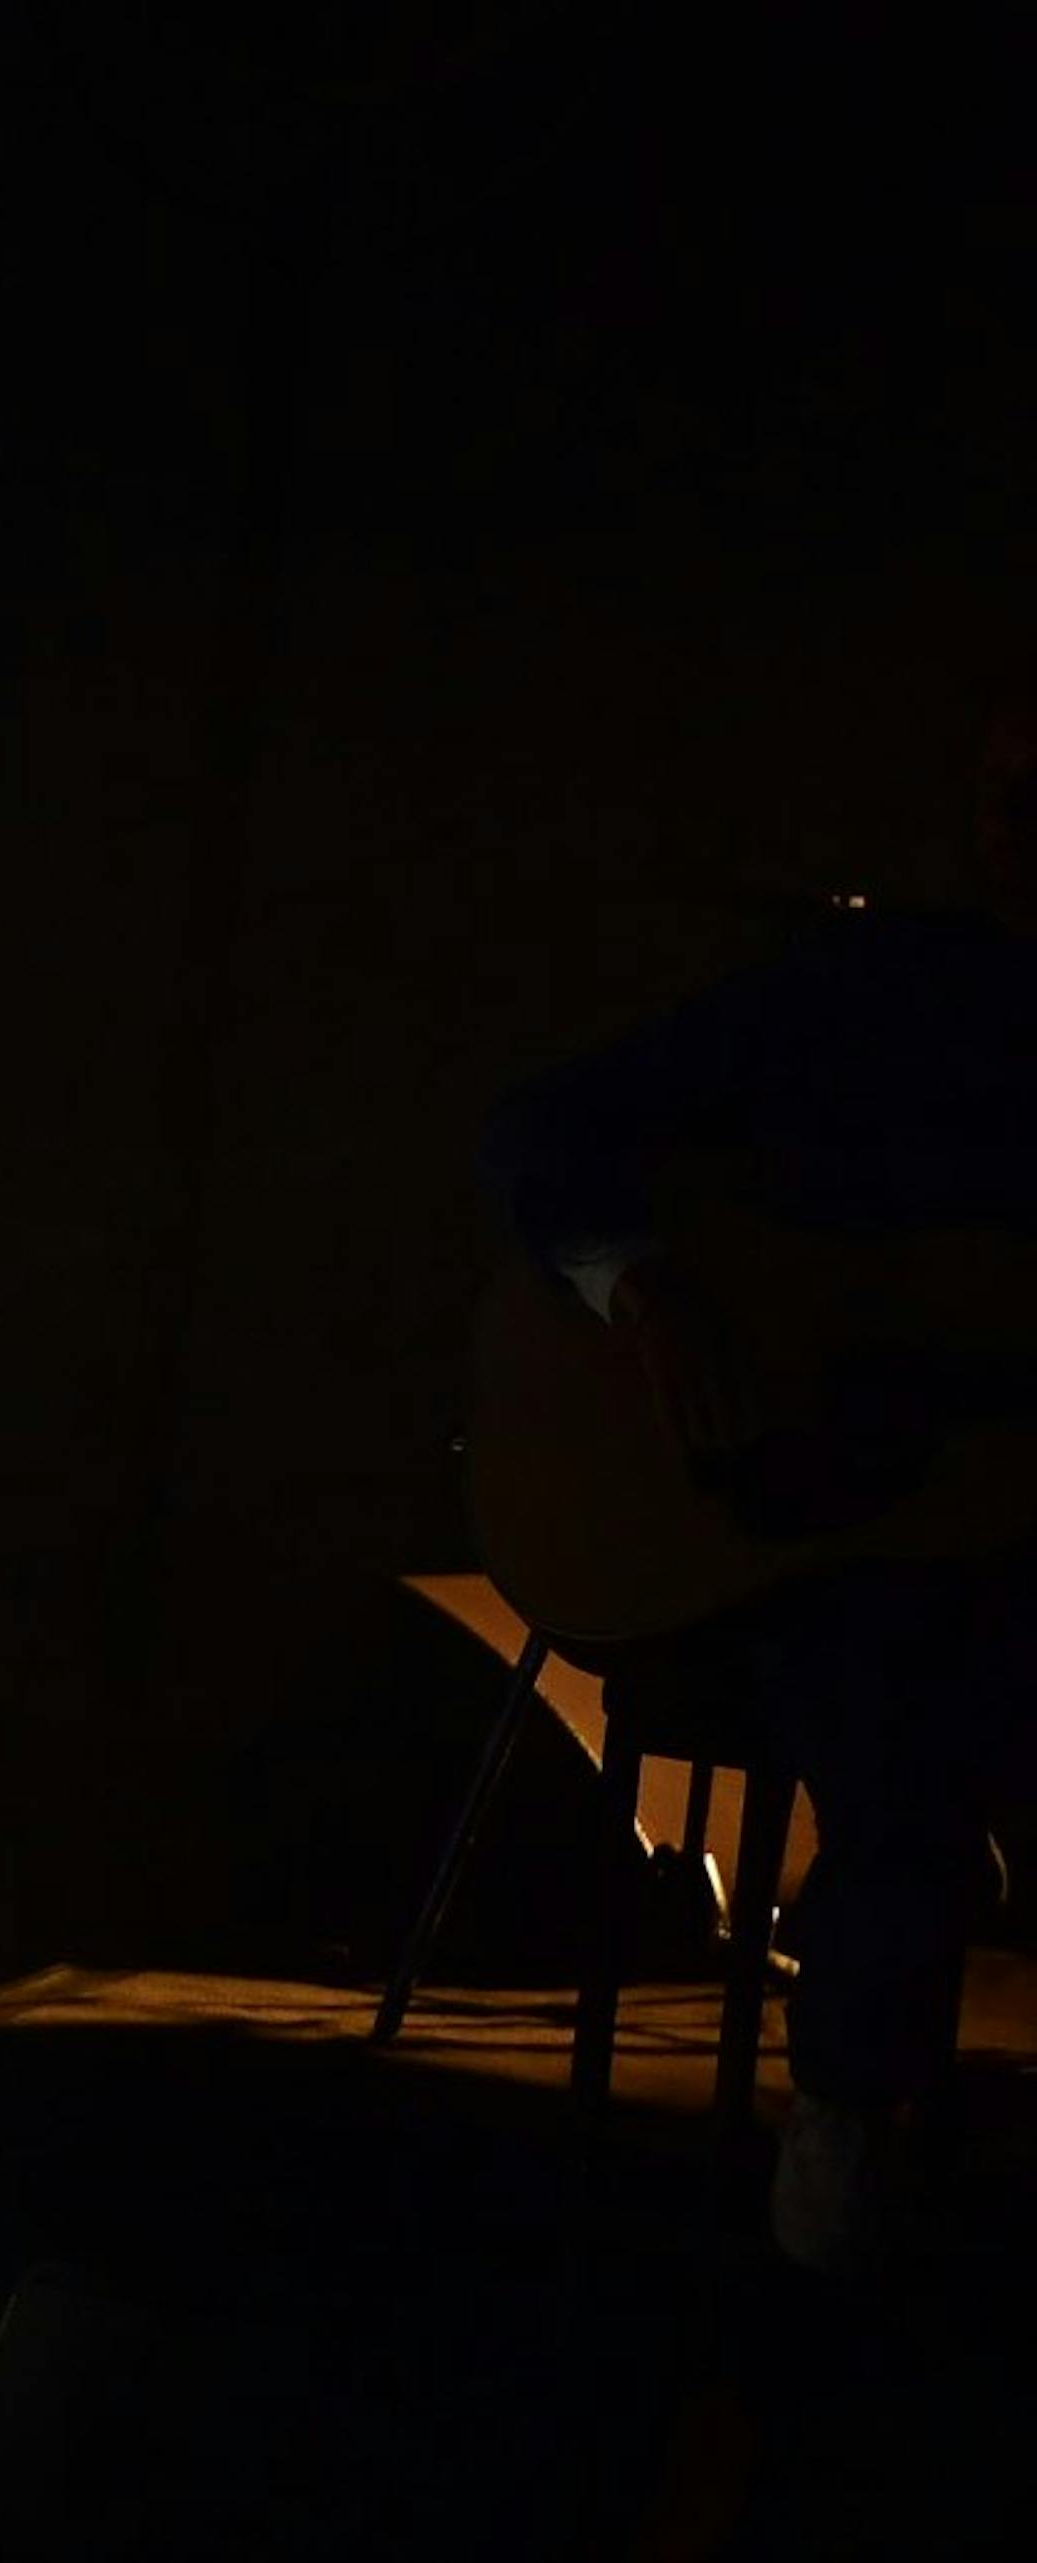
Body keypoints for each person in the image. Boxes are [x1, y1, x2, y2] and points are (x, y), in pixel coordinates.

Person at [476, 687, 1037, 2278]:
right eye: (1011, 789)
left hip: (978, 1533)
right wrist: (647, 1293)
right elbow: (545, 1129)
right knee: (916, 1692)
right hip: (801, 1544)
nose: (1016, 824)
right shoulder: (877, 987)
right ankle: (853, 2120)